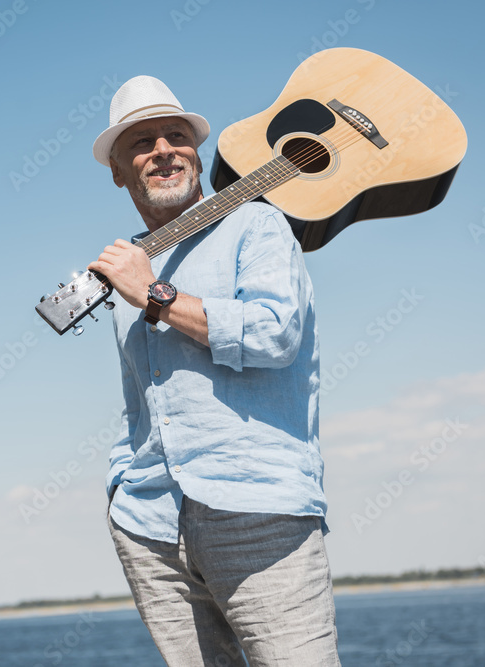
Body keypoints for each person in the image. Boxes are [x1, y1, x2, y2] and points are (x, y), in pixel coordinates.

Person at [86, 75, 340, 666]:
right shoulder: (129, 264)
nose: (163, 150)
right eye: (141, 144)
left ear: (196, 154)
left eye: (175, 135)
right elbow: (140, 402)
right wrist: (122, 485)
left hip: (258, 508)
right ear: (120, 172)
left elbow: (276, 335)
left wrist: (153, 294)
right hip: (149, 522)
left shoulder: (254, 225)